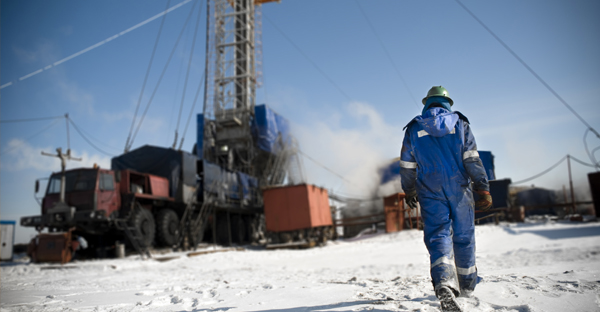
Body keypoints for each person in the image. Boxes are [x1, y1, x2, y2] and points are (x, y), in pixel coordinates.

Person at [399, 86, 492, 312]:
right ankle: (467, 286)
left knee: (438, 235)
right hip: (459, 187)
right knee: (463, 235)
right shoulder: (460, 124)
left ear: (427, 103)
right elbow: (472, 159)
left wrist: (409, 189)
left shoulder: (414, 128)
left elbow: (407, 165)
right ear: (447, 102)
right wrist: (483, 188)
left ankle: (444, 283)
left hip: (429, 189)